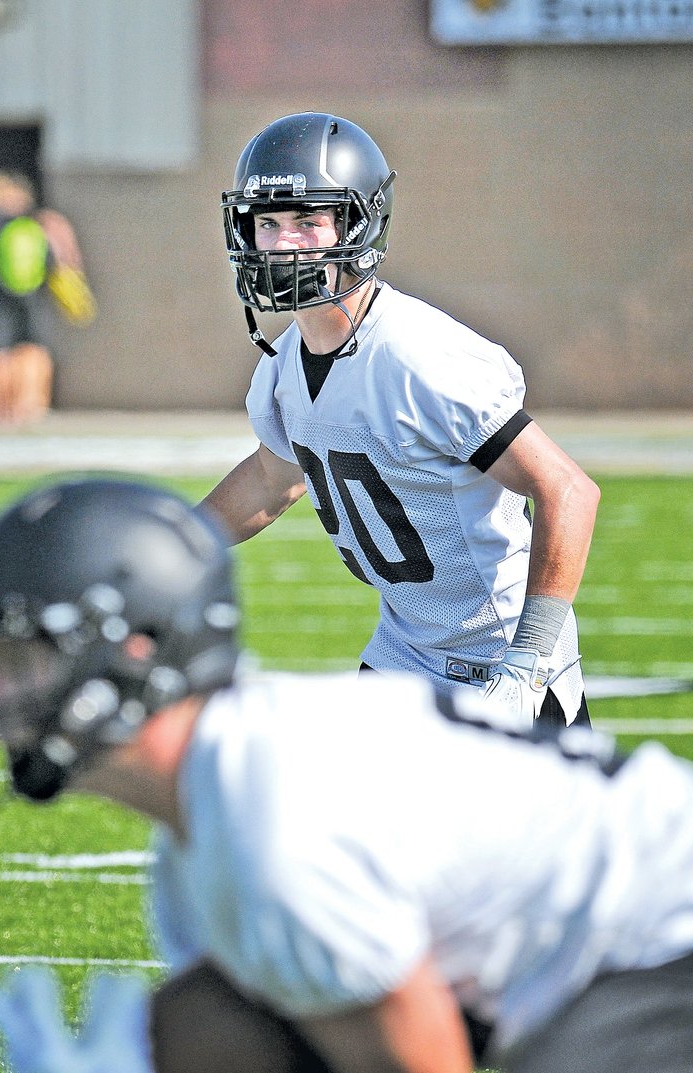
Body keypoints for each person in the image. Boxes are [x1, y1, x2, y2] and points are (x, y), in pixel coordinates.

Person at [0, 476, 693, 1073]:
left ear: (137, 651)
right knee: (191, 1045)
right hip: (601, 967)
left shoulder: (274, 816)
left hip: (666, 946)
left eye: (21, 661)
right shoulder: (212, 818)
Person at [201, 111, 601, 729]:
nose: (283, 244)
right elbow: (270, 479)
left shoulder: (418, 356)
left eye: (309, 222)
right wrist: (164, 548)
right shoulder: (283, 365)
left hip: (495, 660)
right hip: (402, 653)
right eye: (269, 223)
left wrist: (527, 664)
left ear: (359, 226)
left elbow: (567, 489)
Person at [0, 167, 94, 426]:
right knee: (33, 350)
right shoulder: (38, 220)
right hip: (32, 294)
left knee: (0, 354)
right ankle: (32, 407)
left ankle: (4, 412)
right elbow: (63, 257)